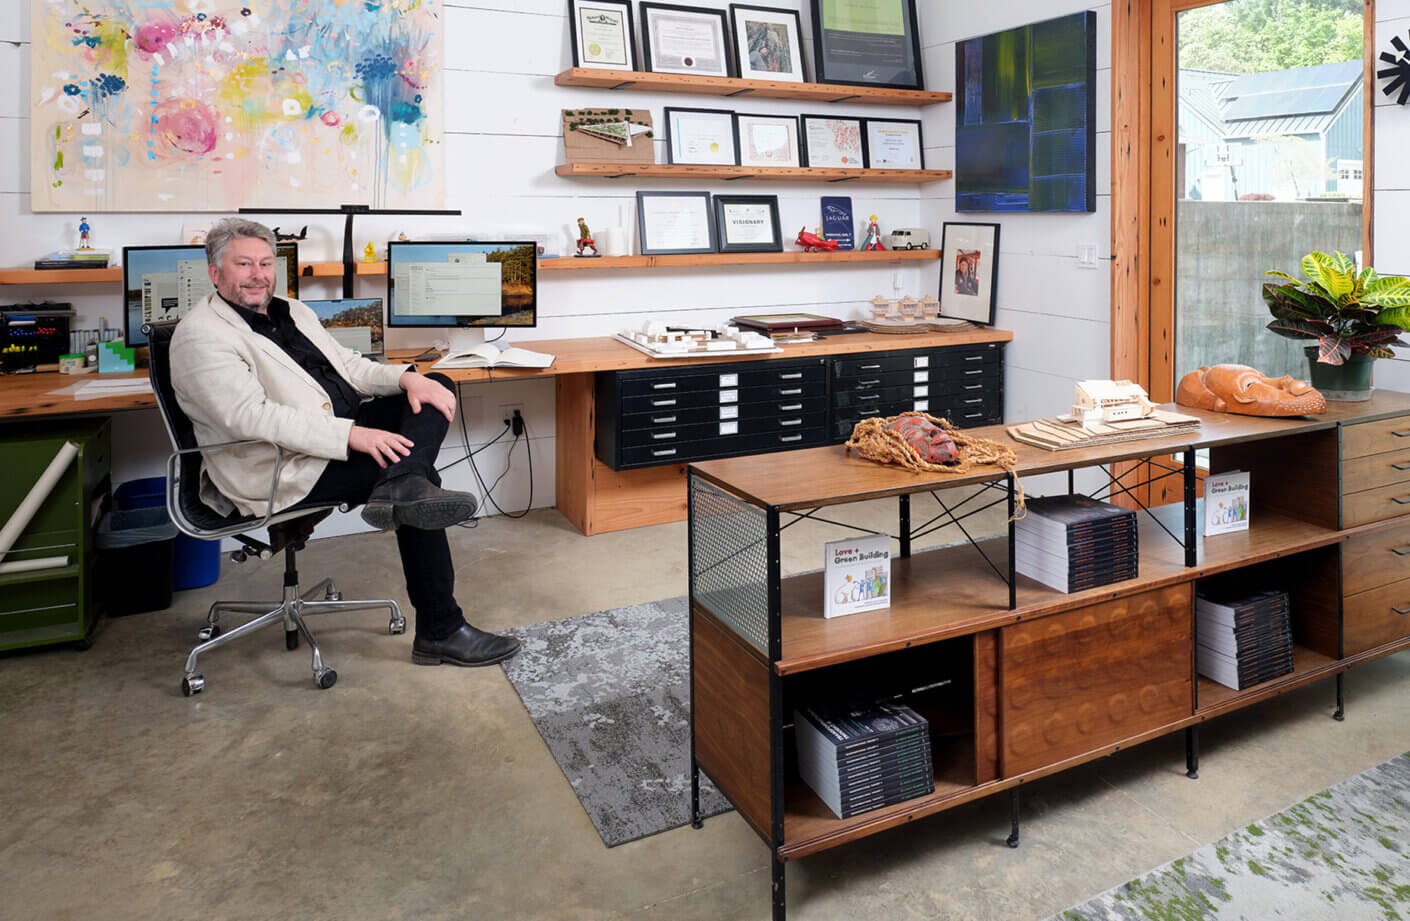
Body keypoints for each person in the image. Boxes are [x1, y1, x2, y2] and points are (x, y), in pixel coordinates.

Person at [169, 218, 519, 667]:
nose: (257, 273)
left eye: (264, 263)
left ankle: (403, 484)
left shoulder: (291, 310)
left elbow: (350, 366)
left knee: (438, 386)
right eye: (243, 264)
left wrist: (406, 378)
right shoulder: (201, 335)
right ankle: (440, 628)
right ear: (215, 272)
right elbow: (250, 417)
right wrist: (355, 435)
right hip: (279, 464)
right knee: (413, 474)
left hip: (333, 430)